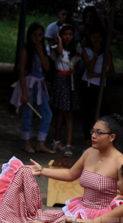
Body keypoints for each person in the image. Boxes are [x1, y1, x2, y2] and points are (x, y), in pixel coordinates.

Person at [11, 22, 54, 154]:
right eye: (34, 35)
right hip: (29, 84)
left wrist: (41, 52)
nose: (37, 38)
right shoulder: (25, 50)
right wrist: (24, 92)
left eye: (40, 35)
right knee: (28, 114)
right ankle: (26, 142)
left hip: (40, 85)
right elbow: (22, 72)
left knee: (47, 113)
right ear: (29, 35)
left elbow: (47, 67)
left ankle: (41, 143)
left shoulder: (42, 50)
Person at [49, 23, 80, 158]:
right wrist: (59, 41)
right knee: (60, 112)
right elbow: (59, 53)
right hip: (60, 79)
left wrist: (75, 70)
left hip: (71, 81)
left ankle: (68, 143)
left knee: (69, 113)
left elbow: (78, 66)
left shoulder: (77, 50)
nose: (68, 37)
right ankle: (57, 140)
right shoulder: (56, 48)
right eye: (65, 34)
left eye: (70, 34)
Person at [80, 29, 114, 149]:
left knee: (100, 115)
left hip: (100, 85)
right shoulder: (86, 51)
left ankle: (99, 142)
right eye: (94, 37)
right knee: (88, 115)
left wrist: (98, 75)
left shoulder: (107, 53)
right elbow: (89, 68)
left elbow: (111, 72)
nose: (97, 40)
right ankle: (87, 144)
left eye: (99, 37)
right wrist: (95, 54)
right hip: (88, 85)